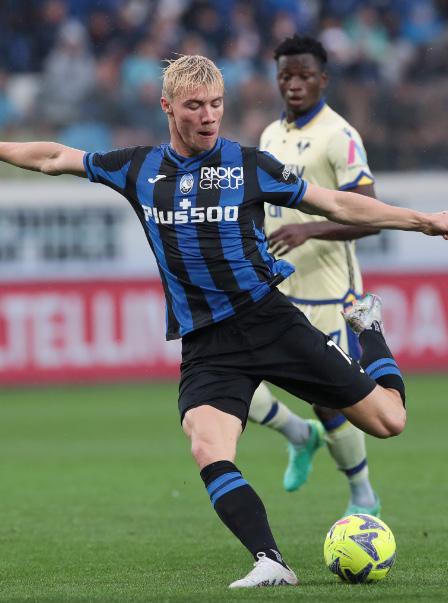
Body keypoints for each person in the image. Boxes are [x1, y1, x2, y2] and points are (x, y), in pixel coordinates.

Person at [1, 54, 447, 589]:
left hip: (269, 322)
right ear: (167, 107)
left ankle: (368, 328)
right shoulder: (138, 168)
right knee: (207, 446)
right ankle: (270, 560)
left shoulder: (248, 165)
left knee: (389, 421)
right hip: (208, 344)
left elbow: (335, 204)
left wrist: (425, 221)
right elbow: (55, 156)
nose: (209, 115)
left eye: (216, 104)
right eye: (195, 105)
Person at [248, 35, 381, 517]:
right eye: (286, 75)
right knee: (231, 377)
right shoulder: (269, 135)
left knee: (333, 401)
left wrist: (310, 229)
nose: (294, 84)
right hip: (276, 289)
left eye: (304, 75)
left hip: (329, 295)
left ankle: (363, 494)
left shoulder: (339, 136)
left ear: (323, 79)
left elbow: (371, 214)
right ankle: (298, 434)